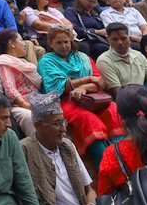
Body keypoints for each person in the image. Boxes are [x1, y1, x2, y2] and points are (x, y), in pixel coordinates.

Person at [37, 28, 123, 165]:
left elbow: (100, 82)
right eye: (59, 42)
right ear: (51, 44)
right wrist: (86, 79)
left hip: (93, 97)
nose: (64, 46)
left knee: (113, 109)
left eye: (66, 42)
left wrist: (83, 87)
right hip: (66, 100)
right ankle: (107, 164)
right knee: (87, 119)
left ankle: (123, 157)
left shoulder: (83, 57)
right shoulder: (46, 61)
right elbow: (57, 87)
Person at [0, 29, 43, 137]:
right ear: (12, 44)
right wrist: (26, 105)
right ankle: (38, 151)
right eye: (21, 40)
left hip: (36, 100)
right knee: (31, 117)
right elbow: (10, 89)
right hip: (19, 106)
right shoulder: (3, 62)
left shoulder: (22, 62)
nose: (24, 44)